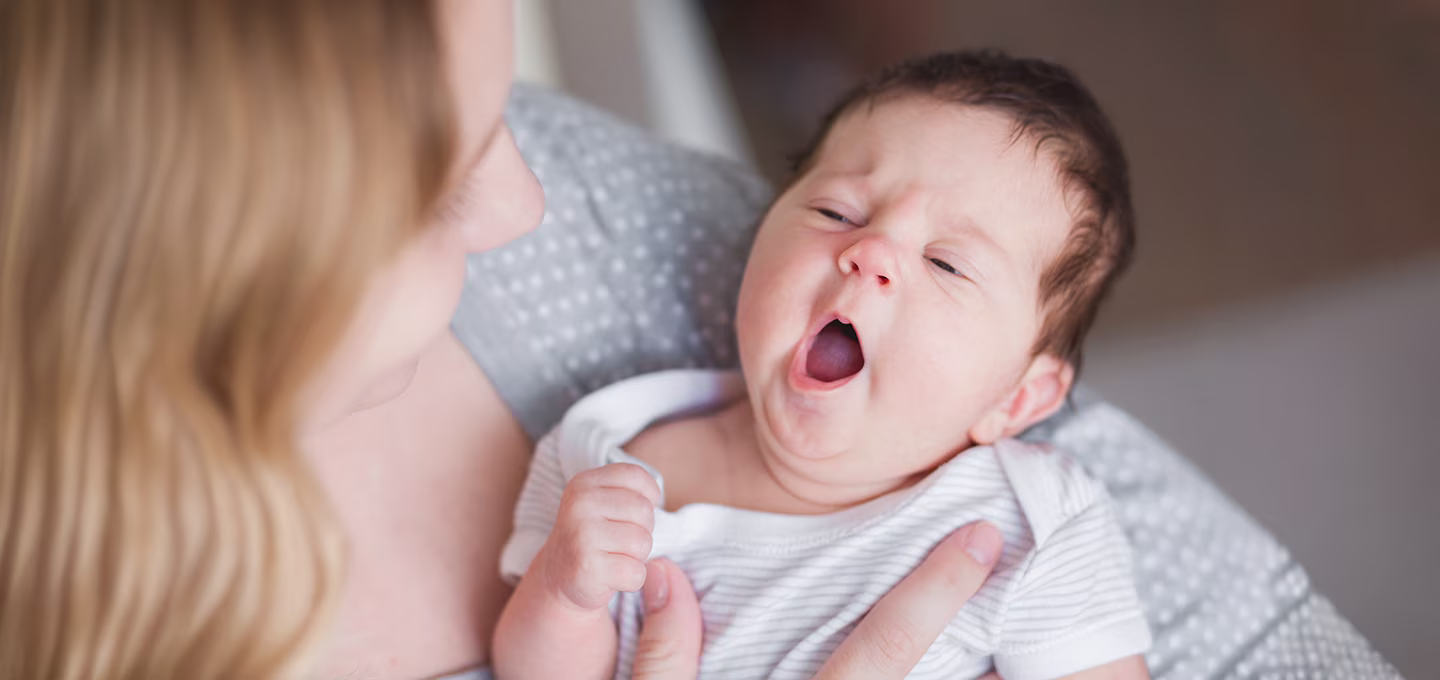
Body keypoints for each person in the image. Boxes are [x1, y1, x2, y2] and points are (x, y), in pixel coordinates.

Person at [0, 1, 1003, 677]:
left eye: (506, 111)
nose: (529, 205)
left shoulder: (591, 226)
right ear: (211, 287)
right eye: (442, 196)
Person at [493, 51, 1151, 680]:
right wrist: (563, 592)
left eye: (947, 263)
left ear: (1017, 400)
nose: (872, 251)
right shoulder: (599, 456)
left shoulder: (1029, 525)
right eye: (836, 212)